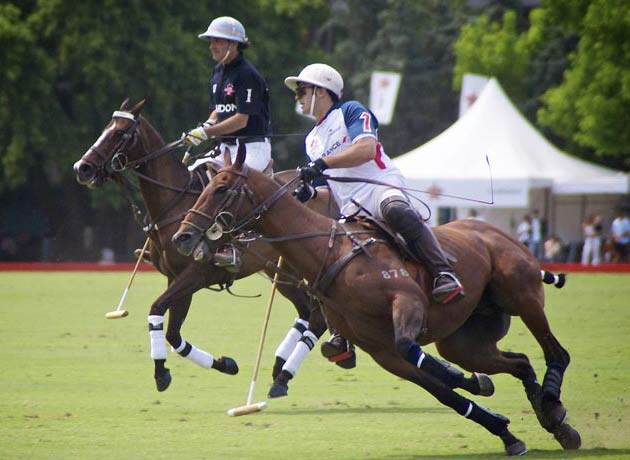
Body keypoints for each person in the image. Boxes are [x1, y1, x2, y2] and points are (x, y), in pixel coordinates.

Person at [285, 63, 464, 361]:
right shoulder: (311, 140)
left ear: (320, 91)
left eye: (302, 91)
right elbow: (333, 190)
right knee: (325, 262)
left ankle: (443, 272)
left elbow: (366, 149)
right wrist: (311, 193)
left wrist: (323, 164)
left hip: (380, 185)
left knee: (396, 210)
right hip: (350, 208)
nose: (298, 97)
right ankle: (342, 334)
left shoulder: (352, 111)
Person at [182, 16, 272, 271]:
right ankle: (186, 237)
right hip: (225, 148)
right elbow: (218, 113)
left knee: (236, 188)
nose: (212, 45)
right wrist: (203, 128)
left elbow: (241, 120)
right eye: (211, 40)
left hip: (251, 147)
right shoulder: (218, 72)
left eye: (218, 40)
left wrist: (207, 134)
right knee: (189, 177)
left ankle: (234, 246)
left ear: (234, 44)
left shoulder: (247, 75)